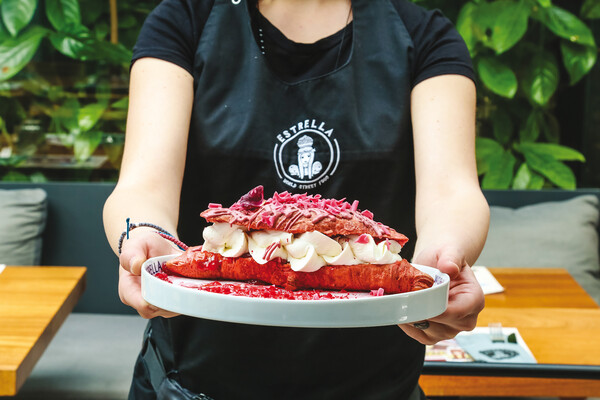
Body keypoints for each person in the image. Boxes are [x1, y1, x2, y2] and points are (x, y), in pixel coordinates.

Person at [103, 0, 489, 398]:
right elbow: (142, 185)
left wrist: (443, 258)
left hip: (377, 382)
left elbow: (453, 191)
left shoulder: (424, 35)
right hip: (192, 380)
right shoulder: (184, 20)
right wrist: (143, 233)